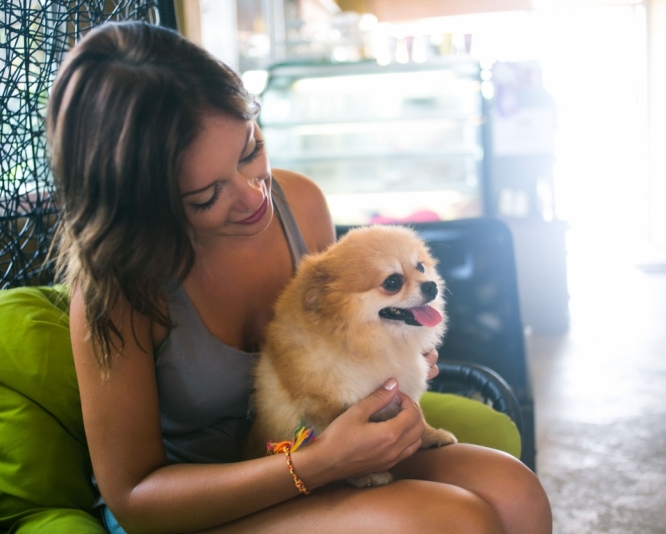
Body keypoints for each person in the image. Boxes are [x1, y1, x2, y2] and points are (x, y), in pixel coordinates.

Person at [48, 20, 552, 534]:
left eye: (251, 150)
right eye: (207, 196)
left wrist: (392, 351)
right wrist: (318, 464)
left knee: (517, 494)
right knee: (454, 521)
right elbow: (135, 498)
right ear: (143, 206)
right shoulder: (118, 292)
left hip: (322, 452)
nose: (252, 196)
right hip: (201, 502)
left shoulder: (300, 203)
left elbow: (341, 333)